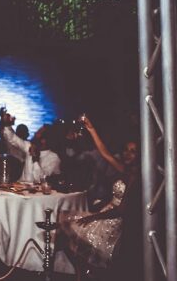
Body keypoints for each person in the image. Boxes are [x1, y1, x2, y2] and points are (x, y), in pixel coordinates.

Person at [58, 116, 140, 272]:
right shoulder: (126, 170)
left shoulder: (135, 176)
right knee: (65, 228)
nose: (127, 154)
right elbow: (106, 154)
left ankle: (86, 278)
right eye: (126, 150)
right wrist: (91, 129)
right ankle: (83, 277)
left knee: (70, 228)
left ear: (140, 155)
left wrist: (93, 216)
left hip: (114, 221)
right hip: (106, 212)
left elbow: (122, 210)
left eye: (133, 152)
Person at [0, 113, 61, 183]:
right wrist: (7, 124)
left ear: (43, 141)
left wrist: (35, 160)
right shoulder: (29, 147)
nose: (34, 134)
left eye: (38, 133)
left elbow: (41, 180)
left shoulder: (54, 158)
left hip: (38, 192)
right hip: (19, 188)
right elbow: (12, 138)